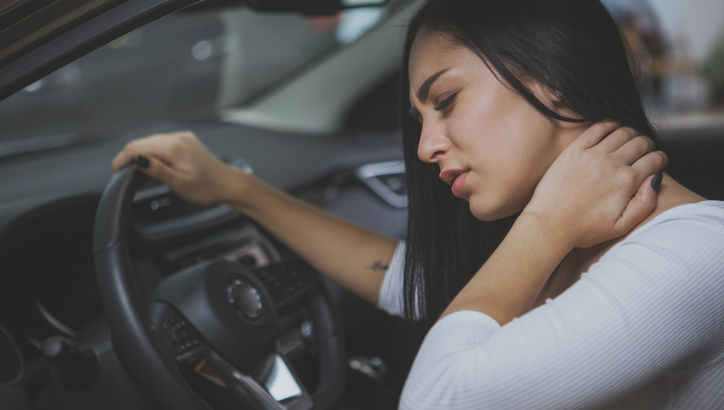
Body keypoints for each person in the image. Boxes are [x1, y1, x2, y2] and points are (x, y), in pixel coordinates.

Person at [112, 0, 724, 408]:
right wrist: (234, 187)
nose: (428, 146)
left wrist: (545, 222)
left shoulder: (693, 252)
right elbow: (406, 277)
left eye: (448, 100)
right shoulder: (583, 241)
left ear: (551, 75)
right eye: (419, 118)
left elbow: (438, 398)